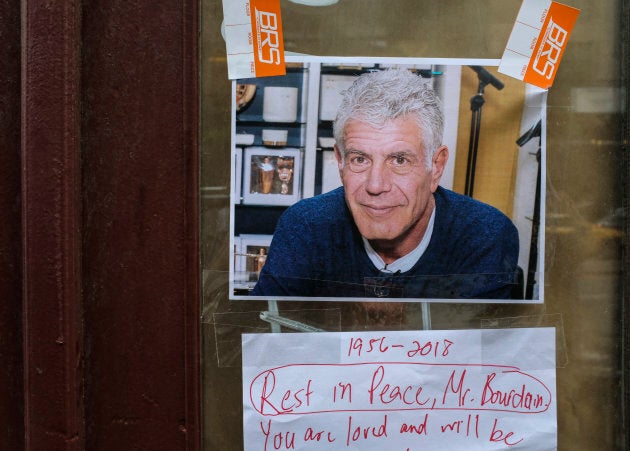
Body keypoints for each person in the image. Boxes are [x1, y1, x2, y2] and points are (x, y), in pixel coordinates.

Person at [252, 69, 519, 299]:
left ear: (436, 166)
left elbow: (479, 354)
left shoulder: (485, 235)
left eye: (399, 160)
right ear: (340, 162)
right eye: (359, 159)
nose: (376, 185)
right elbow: (263, 338)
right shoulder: (305, 226)